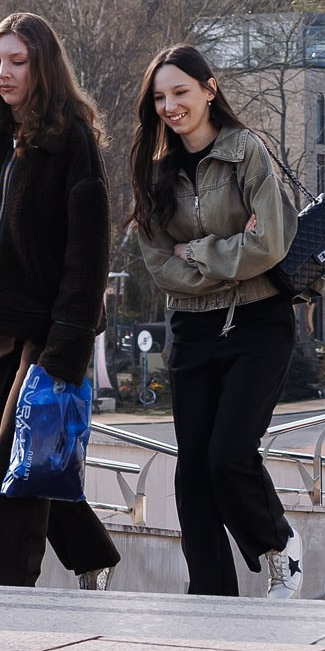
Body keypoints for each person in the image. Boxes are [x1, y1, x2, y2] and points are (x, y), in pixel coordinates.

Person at [0, 12, 121, 590]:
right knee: (22, 452)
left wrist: (70, 341)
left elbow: (87, 249)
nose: (4, 73)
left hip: (50, 328)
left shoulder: (71, 140)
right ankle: (91, 553)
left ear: (43, 65)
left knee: (6, 470)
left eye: (17, 61)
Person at [128, 45, 302, 598]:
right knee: (191, 474)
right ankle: (210, 593)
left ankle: (280, 547)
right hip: (193, 329)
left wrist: (198, 253)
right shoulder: (152, 170)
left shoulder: (246, 151)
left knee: (229, 456)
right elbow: (159, 265)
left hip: (259, 323)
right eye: (160, 97)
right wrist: (233, 253)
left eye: (180, 92)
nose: (170, 105)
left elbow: (270, 242)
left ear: (209, 88)